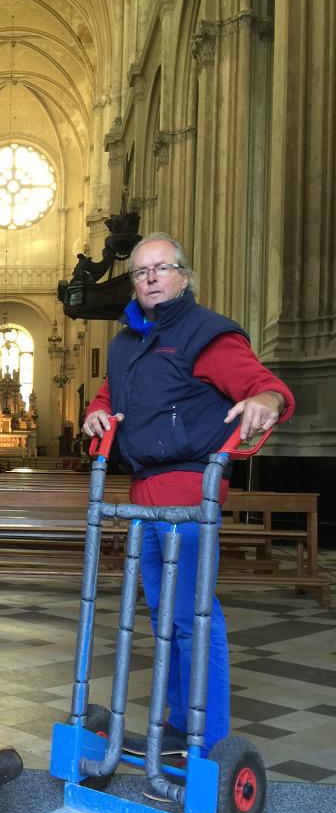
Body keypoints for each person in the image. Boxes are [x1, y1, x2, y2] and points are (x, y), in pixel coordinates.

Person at [82, 232, 295, 759]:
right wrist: (95, 411)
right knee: (162, 613)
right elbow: (112, 393)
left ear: (184, 275)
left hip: (190, 486)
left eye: (162, 268)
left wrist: (265, 401)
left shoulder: (207, 334)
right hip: (142, 489)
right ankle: (179, 726)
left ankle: (207, 737)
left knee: (194, 614)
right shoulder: (126, 341)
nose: (151, 278)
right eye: (141, 271)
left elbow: (266, 387)